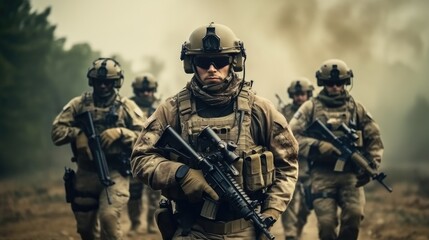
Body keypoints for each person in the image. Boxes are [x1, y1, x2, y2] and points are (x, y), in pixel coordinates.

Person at [130, 22, 299, 239]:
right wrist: (181, 173)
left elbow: (288, 163)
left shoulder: (259, 109)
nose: (212, 69)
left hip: (244, 228)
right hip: (192, 227)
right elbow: (140, 159)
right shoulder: (170, 110)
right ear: (191, 64)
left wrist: (273, 208)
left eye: (220, 61)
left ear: (234, 62)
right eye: (203, 62)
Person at [289, 59, 384, 240]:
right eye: (329, 83)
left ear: (346, 82)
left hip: (351, 177)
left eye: (338, 83)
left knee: (353, 218)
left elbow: (374, 138)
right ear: (322, 83)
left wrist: (372, 164)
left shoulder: (356, 108)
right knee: (326, 226)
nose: (334, 86)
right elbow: (290, 137)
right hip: (321, 175)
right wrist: (318, 145)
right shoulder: (310, 107)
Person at [51, 58, 145, 240]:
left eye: (108, 82)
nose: (102, 86)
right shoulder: (78, 104)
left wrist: (121, 132)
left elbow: (147, 138)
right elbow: (56, 132)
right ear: (91, 81)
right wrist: (77, 134)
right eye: (98, 82)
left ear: (116, 83)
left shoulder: (126, 106)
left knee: (108, 217)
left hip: (115, 172)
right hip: (86, 172)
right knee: (85, 229)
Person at [279, 78, 314, 240]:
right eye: (296, 94)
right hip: (289, 162)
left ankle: (298, 227)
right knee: (290, 200)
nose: (299, 98)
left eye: (302, 94)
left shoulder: (313, 112)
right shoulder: (284, 112)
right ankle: (290, 234)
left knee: (307, 203)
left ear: (308, 94)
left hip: (309, 164)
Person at [127, 73, 162, 234]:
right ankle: (135, 224)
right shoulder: (128, 107)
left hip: (155, 157)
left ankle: (151, 223)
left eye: (149, 90)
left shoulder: (161, 107)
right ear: (136, 91)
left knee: (155, 193)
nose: (146, 93)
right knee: (134, 194)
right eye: (142, 91)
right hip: (133, 157)